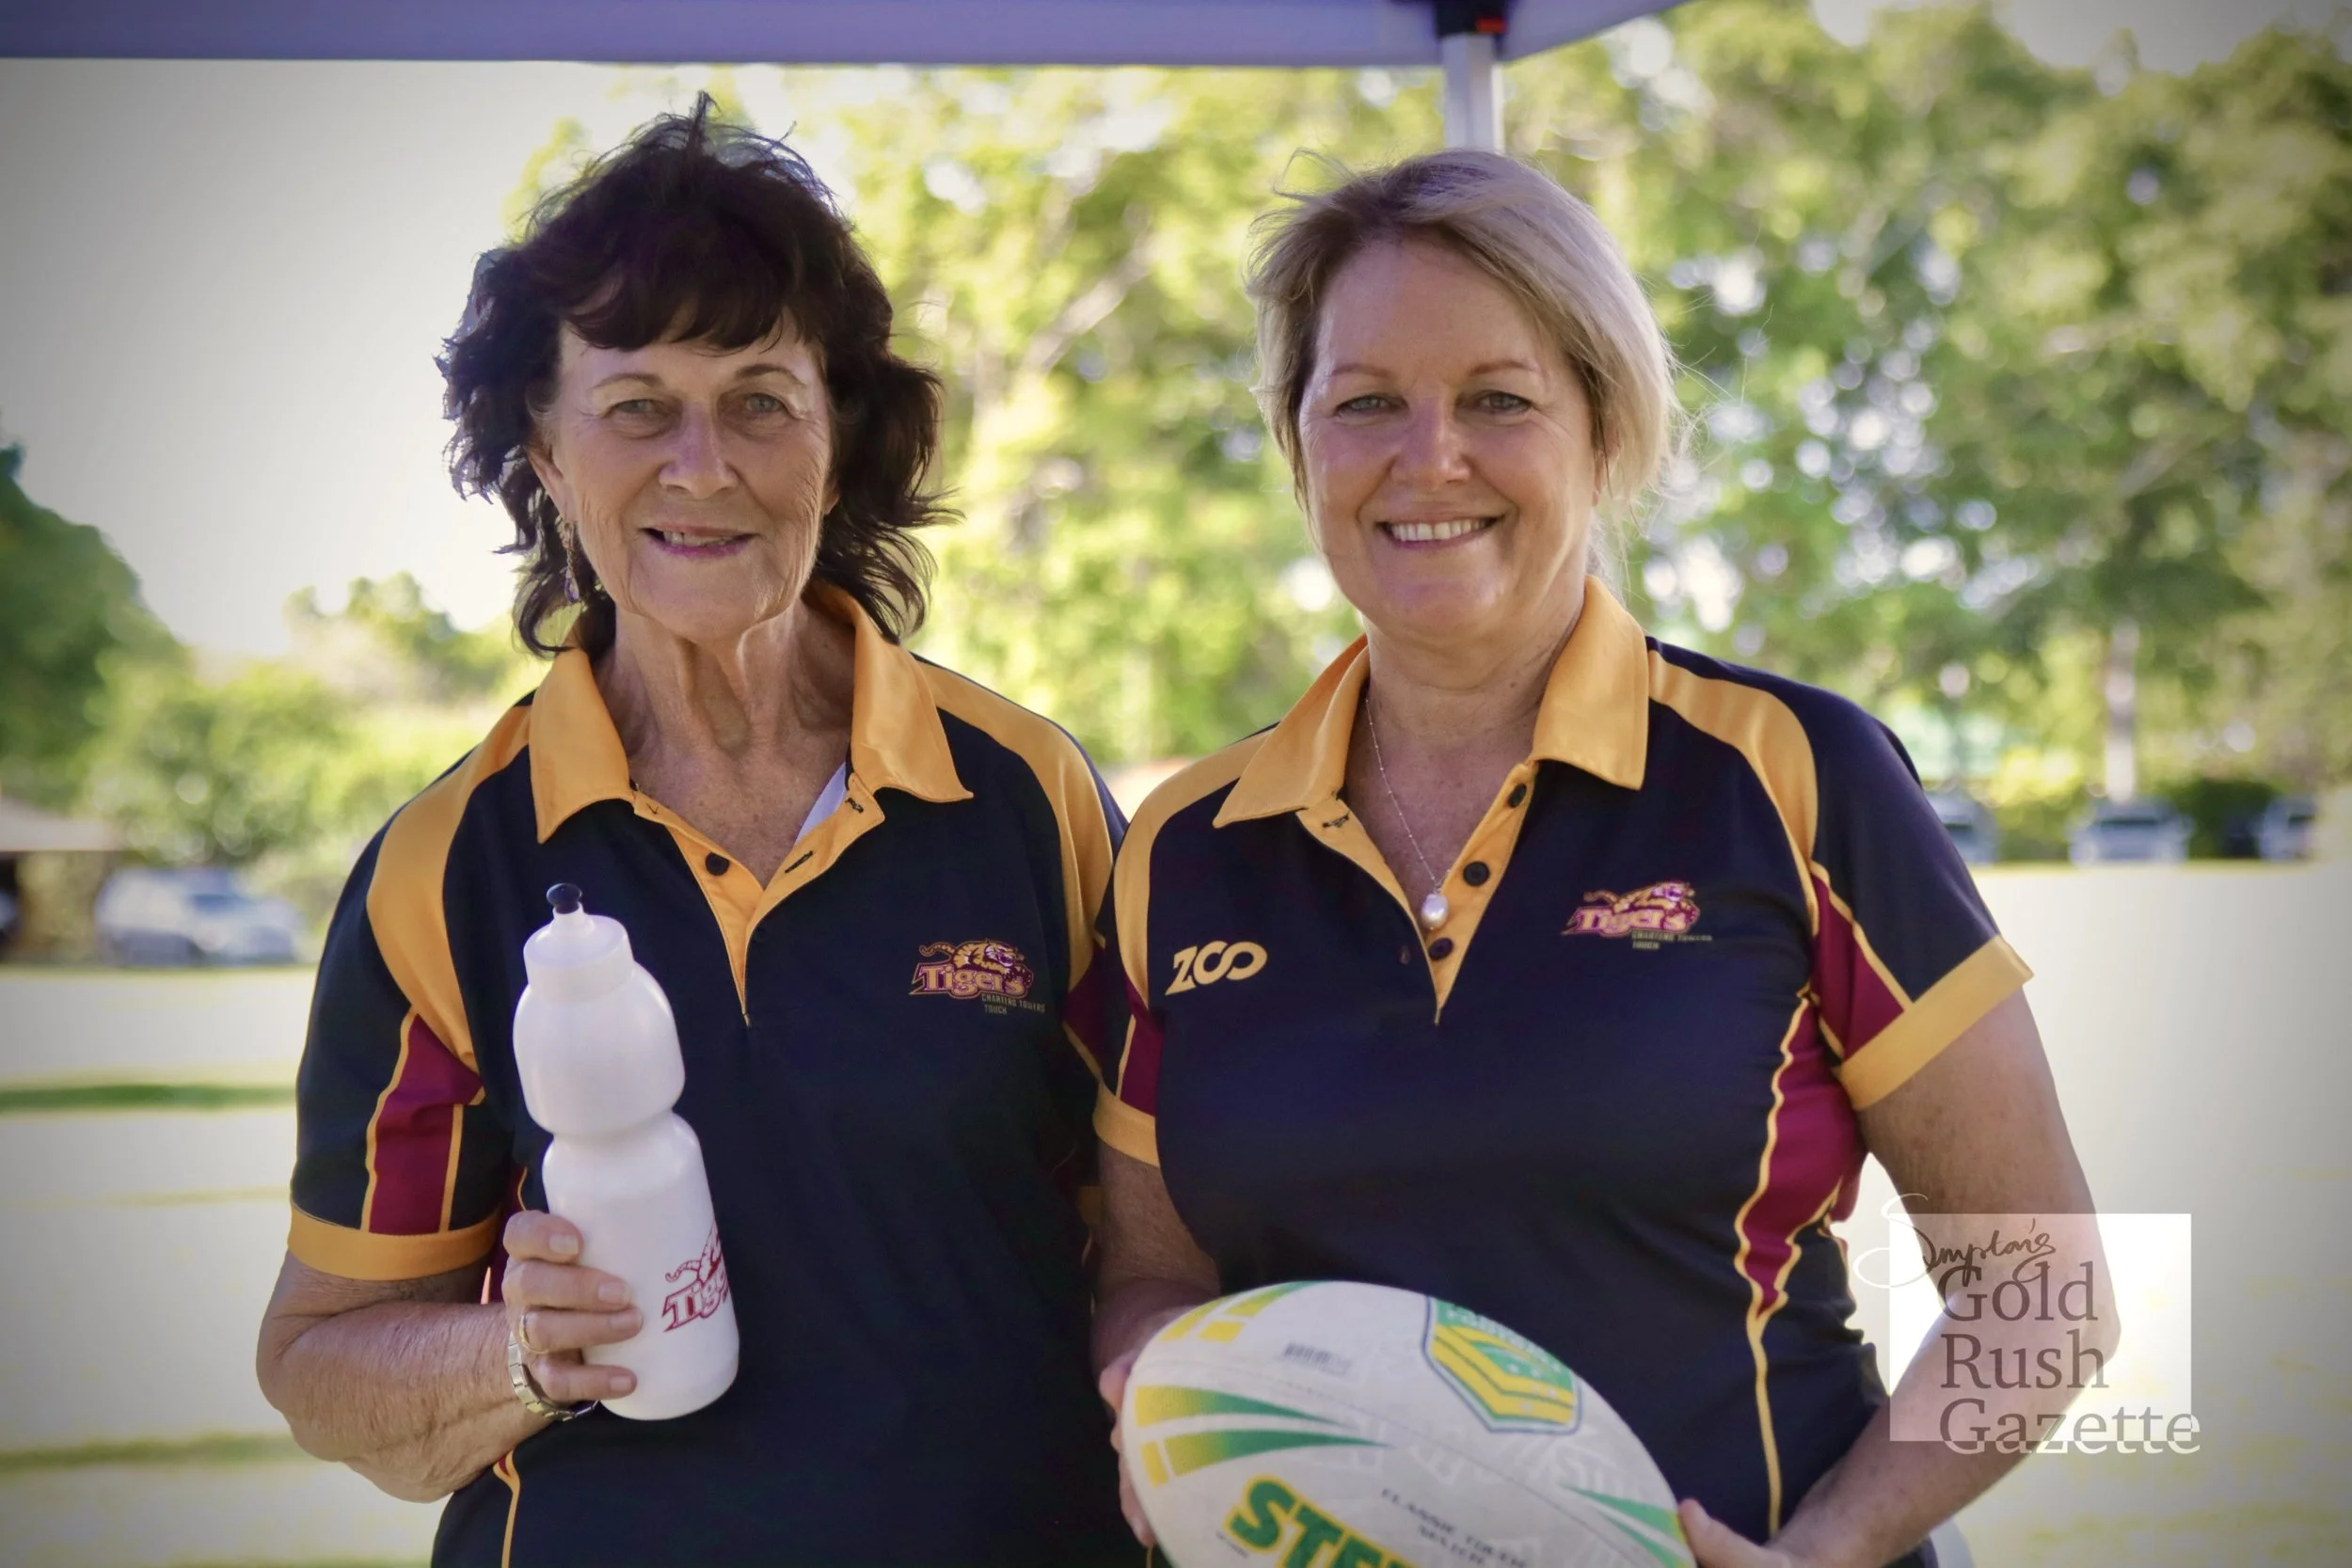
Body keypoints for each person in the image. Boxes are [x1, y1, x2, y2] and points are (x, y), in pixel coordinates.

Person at [1090, 151, 2108, 1568]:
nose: (1428, 456)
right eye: (1366, 401)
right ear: (1300, 441)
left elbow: (2050, 1293)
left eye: (1499, 400)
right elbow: (1152, 1268)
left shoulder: (1793, 776)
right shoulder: (1189, 848)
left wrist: (1829, 1548)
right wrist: (1159, 1390)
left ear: (1604, 429)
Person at [255, 102, 1132, 1567]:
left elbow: (1163, 1246)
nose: (702, 464)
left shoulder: (1030, 797)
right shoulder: (447, 866)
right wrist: (512, 1349)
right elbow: (321, 1357)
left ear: (841, 438)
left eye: (761, 399)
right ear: (544, 451)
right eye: (638, 403)